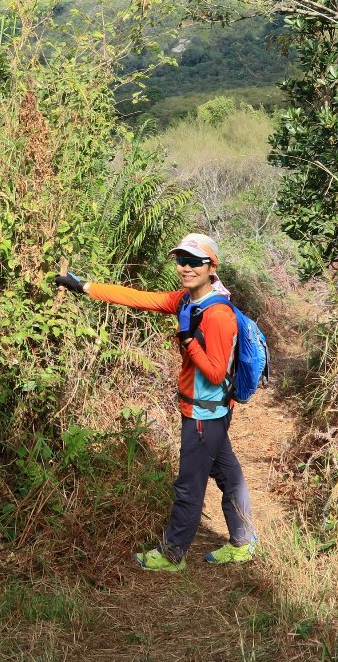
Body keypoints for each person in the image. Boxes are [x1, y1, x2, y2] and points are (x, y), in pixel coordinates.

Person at [54, 232, 255, 571]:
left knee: (189, 487)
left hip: (204, 413)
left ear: (211, 267)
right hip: (212, 410)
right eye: (182, 260)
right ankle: (243, 541)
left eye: (195, 261)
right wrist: (84, 287)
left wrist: (188, 340)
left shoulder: (218, 315)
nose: (186, 267)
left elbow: (216, 372)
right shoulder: (185, 301)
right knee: (228, 474)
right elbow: (138, 298)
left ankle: (173, 554)